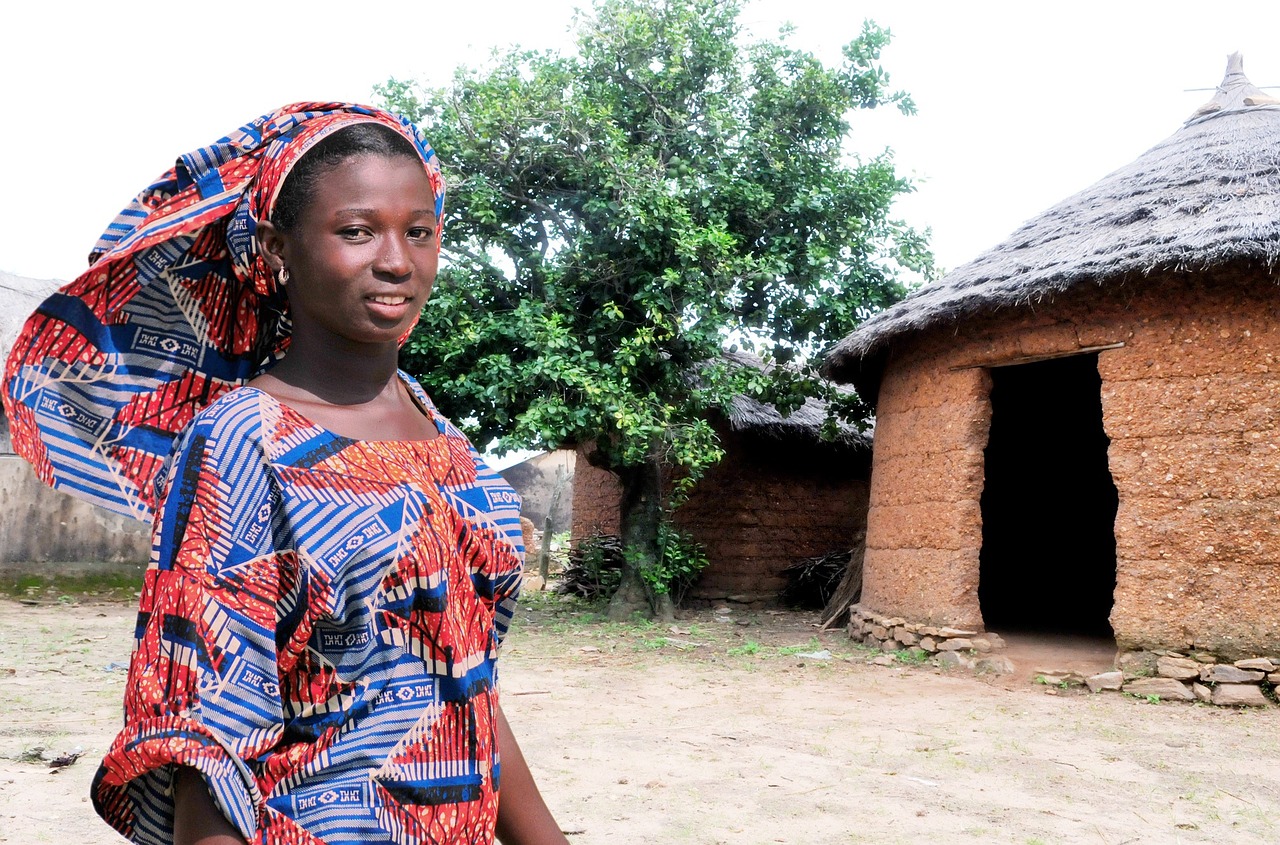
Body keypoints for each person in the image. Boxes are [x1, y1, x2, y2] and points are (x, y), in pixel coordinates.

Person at [1, 104, 568, 845]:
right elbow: (201, 738)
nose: (397, 259)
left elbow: (463, 681)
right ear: (277, 248)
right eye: (357, 230)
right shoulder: (244, 439)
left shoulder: (439, 430)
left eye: (419, 230)